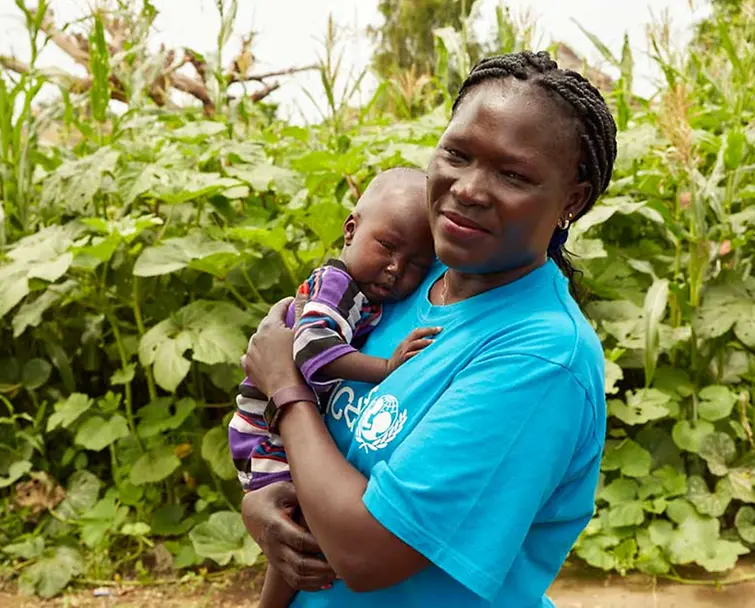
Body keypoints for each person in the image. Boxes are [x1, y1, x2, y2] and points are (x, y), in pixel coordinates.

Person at [238, 50, 617, 607]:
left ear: (572, 201)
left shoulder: (539, 358)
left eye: (513, 174)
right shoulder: (409, 272)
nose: (467, 188)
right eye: (457, 154)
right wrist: (261, 503)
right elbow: (319, 455)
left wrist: (285, 389)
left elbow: (367, 554)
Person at [227, 167, 438, 607]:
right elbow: (310, 352)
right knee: (297, 523)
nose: (397, 267)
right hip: (265, 430)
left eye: (418, 263)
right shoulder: (337, 285)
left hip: (279, 422)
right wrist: (386, 366)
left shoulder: (370, 296)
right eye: (386, 246)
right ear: (350, 230)